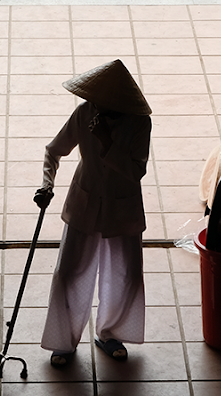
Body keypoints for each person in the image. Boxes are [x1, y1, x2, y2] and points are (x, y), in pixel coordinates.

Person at [36, 61, 153, 368]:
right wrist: (47, 184)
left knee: (125, 272)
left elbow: (134, 171)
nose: (98, 107)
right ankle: (63, 340)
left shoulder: (139, 123)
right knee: (70, 271)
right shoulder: (85, 113)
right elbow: (54, 150)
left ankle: (110, 332)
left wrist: (107, 142)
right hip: (85, 201)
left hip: (123, 204)